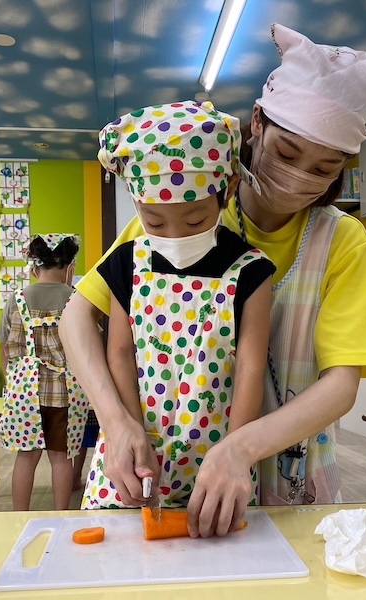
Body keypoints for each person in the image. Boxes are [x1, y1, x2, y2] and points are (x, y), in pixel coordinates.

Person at [61, 24, 366, 535]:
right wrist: (116, 420)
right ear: (257, 124)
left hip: (290, 478)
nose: (301, 177)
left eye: (325, 168)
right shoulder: (178, 210)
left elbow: (341, 386)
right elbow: (77, 319)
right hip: (170, 471)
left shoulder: (343, 242)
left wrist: (240, 448)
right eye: (287, 154)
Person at [80, 101, 275, 510]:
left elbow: (250, 367)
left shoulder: (251, 271)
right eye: (153, 222)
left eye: (194, 220)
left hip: (217, 463)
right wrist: (129, 429)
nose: (174, 236)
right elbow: (119, 350)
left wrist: (236, 453)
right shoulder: (126, 262)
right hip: (130, 460)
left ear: (227, 191)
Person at [0, 234, 87, 511]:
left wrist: (13, 382)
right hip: (64, 392)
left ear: (35, 266)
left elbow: (4, 346)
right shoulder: (76, 298)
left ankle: (18, 517)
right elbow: (87, 346)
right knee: (61, 458)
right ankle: (61, 515)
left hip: (24, 392)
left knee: (26, 458)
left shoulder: (17, 298)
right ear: (70, 265)